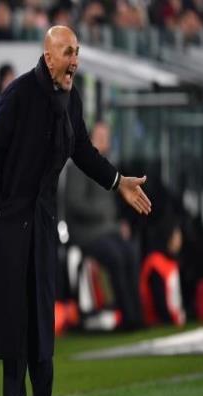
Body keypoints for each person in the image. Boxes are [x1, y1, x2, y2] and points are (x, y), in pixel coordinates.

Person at [0, 25, 151, 396]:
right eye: (68, 52)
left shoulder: (70, 100)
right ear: (49, 56)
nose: (75, 60)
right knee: (16, 326)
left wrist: (117, 182)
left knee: (42, 323)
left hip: (42, 227)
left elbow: (84, 151)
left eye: (77, 52)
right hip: (11, 228)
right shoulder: (19, 94)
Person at [65, 120, 143, 329]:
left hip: (107, 230)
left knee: (131, 251)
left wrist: (118, 224)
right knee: (116, 256)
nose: (103, 141)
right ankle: (128, 316)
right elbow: (74, 204)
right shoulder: (77, 167)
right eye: (99, 137)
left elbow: (114, 207)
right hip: (87, 233)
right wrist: (104, 216)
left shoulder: (109, 167)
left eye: (106, 138)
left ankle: (137, 314)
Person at [139, 219, 185, 327]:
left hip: (174, 319)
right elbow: (158, 299)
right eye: (177, 236)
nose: (180, 241)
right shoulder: (156, 262)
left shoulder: (171, 261)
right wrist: (168, 320)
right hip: (158, 322)